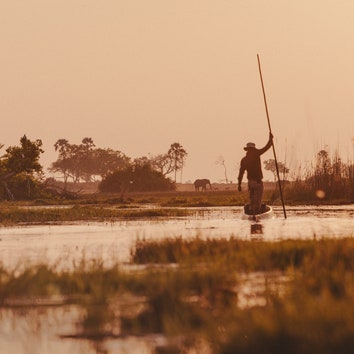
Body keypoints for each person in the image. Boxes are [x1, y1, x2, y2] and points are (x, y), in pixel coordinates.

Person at [237, 132, 273, 215]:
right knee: (257, 201)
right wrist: (270, 139)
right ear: (253, 149)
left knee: (252, 200)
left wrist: (239, 184)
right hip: (257, 182)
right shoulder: (256, 154)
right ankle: (255, 215)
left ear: (247, 150)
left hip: (250, 182)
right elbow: (266, 147)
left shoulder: (244, 160)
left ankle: (252, 212)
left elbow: (241, 173)